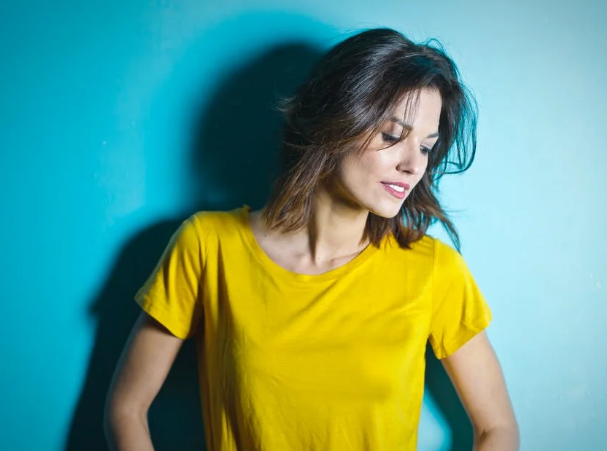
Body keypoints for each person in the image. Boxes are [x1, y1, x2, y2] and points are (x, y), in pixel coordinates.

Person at [104, 27, 519, 451]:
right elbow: (126, 409)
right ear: (332, 122)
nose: (414, 165)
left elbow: (498, 428)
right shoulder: (209, 246)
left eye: (427, 147)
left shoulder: (433, 270)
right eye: (392, 136)